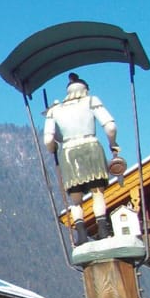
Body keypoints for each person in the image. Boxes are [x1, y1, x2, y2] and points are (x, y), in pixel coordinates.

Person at [43, 73, 119, 245]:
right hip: (91, 146)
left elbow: (48, 140)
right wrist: (113, 145)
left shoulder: (54, 110)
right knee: (97, 193)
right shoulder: (91, 100)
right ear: (85, 89)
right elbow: (110, 126)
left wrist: (54, 148)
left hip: (68, 152)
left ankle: (81, 235)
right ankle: (103, 229)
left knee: (75, 200)